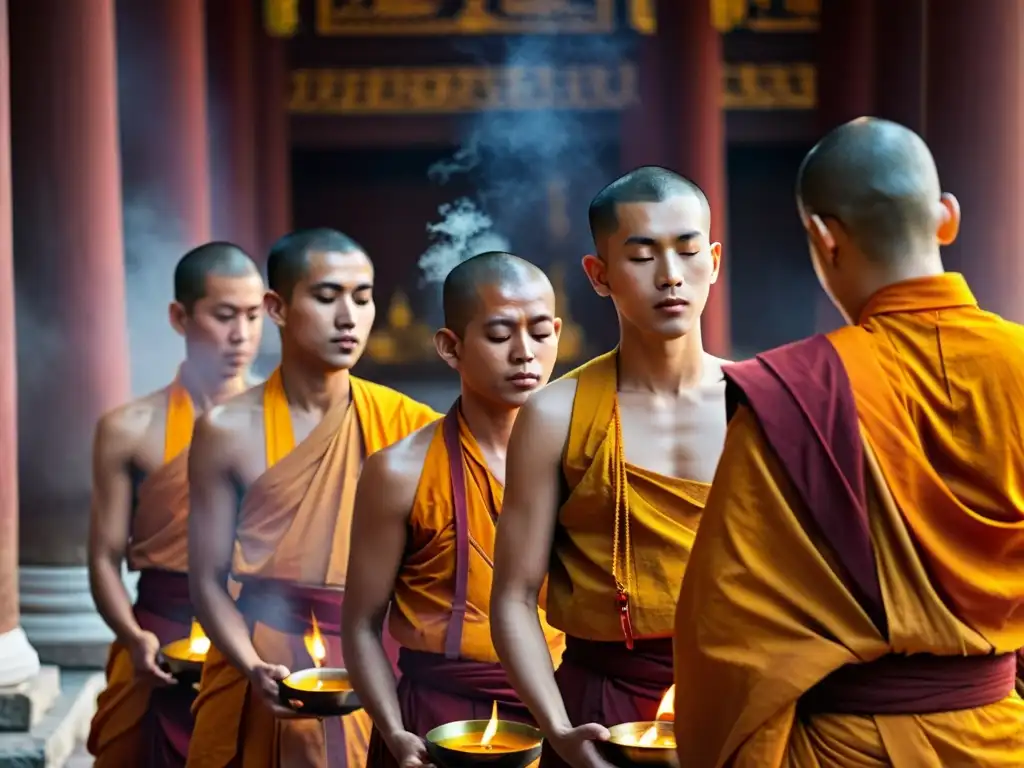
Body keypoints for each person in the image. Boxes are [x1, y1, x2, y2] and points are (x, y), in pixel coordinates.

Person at [673, 117, 1024, 766]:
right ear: (946, 217)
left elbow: (723, 632)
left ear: (823, 237)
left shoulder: (799, 392)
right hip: (1002, 738)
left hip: (846, 749)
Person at [489, 167, 729, 768]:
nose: (670, 276)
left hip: (742, 692)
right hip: (603, 704)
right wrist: (560, 728)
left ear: (714, 261)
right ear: (599, 275)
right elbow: (513, 596)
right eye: (643, 255)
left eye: (688, 250)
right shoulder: (554, 414)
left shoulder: (759, 401)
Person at [186, 229, 441, 768]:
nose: (349, 316)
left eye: (363, 297)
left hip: (374, 663)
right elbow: (207, 580)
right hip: (261, 655)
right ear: (277, 307)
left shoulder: (411, 427)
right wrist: (252, 665)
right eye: (327, 297)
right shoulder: (225, 429)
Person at [343, 252, 567, 768]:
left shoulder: (583, 461)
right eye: (499, 334)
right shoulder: (399, 472)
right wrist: (395, 730)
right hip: (438, 721)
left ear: (557, 331)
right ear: (451, 346)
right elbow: (360, 624)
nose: (524, 353)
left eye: (539, 332)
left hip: (562, 710)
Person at [87, 242, 265, 767]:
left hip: (257, 635)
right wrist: (133, 636)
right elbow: (103, 555)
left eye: (254, 316)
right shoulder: (127, 429)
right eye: (224, 315)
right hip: (159, 632)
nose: (242, 336)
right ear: (179, 317)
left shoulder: (283, 424)